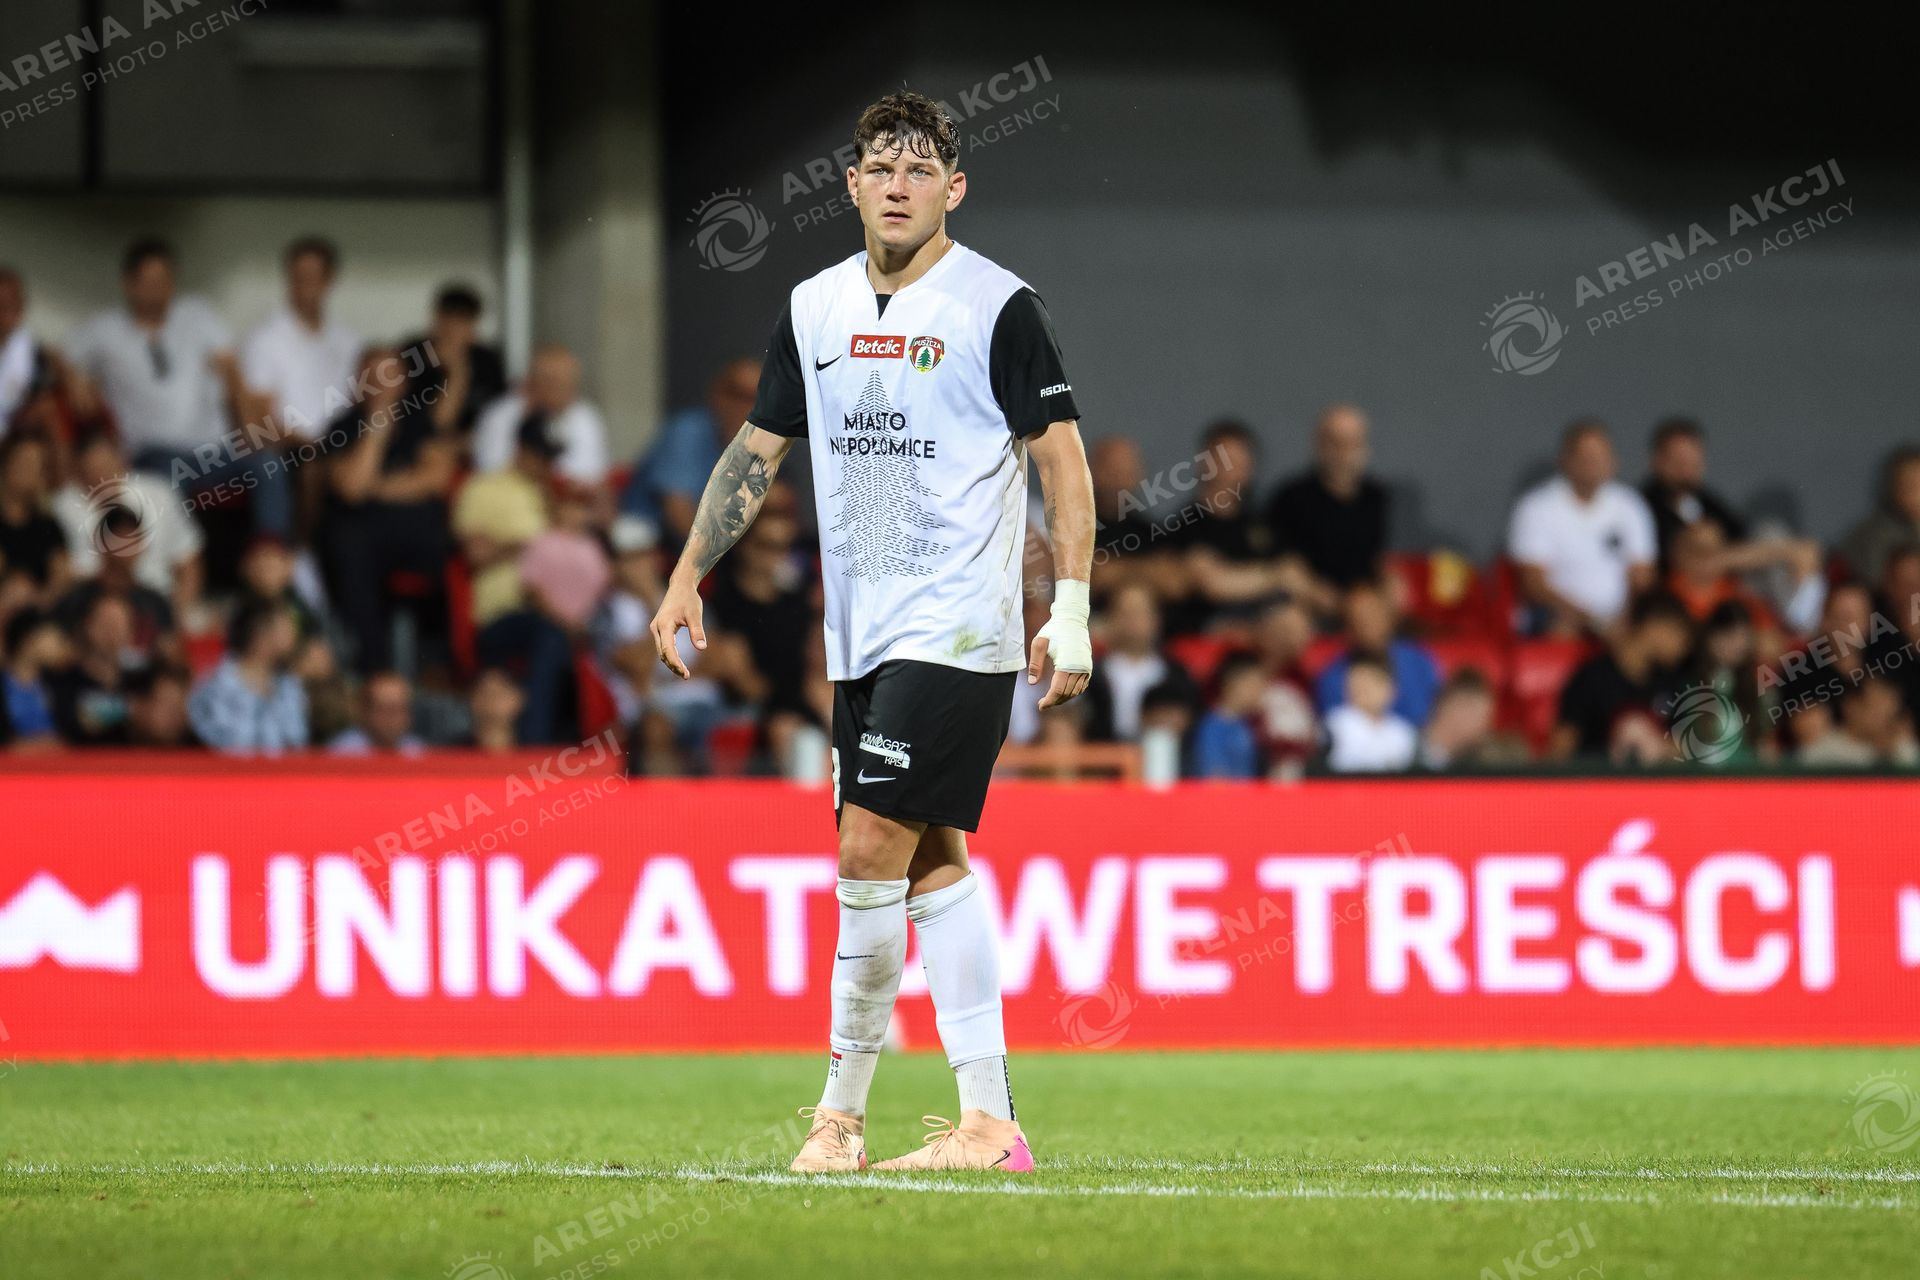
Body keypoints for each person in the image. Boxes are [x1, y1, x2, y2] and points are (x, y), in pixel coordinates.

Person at [648, 92, 1092, 1174]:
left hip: (959, 627)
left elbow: (1063, 461)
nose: (898, 185)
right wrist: (687, 574)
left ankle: (838, 1119)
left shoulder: (997, 305)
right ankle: (988, 1125)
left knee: (864, 850)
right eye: (880, 168)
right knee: (932, 861)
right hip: (862, 635)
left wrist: (1071, 608)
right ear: (849, 186)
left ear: (955, 188)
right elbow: (758, 449)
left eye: (919, 168)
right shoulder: (814, 307)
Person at [65, 238, 291, 538]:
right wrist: (73, 377)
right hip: (153, 452)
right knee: (168, 479)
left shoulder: (197, 314)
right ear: (129, 284)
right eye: (149, 282)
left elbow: (231, 369)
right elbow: (59, 356)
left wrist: (250, 424)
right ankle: (181, 559)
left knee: (268, 463)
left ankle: (271, 554)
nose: (158, 290)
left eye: (164, 280)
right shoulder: (104, 329)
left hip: (214, 448)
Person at [319, 347, 461, 672]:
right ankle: (375, 666)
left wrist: (376, 488)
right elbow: (351, 489)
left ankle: (443, 662)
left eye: (389, 375)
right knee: (349, 544)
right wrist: (376, 428)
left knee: (451, 547)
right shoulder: (343, 427)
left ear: (404, 382)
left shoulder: (420, 421)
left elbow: (435, 479)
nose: (382, 384)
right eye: (373, 376)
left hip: (417, 535)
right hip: (361, 540)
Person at [1508, 419, 1658, 635]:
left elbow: (1642, 576)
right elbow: (1534, 584)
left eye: (1600, 456)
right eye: (1585, 457)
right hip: (1557, 614)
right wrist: (1591, 620)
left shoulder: (1630, 505)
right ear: (1565, 460)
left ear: (1613, 461)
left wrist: (1625, 617)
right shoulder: (1536, 507)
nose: (1593, 464)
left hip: (1621, 617)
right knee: (1562, 630)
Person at [51, 428, 204, 614]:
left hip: (159, 601)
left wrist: (178, 614)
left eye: (107, 468)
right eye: (93, 471)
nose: (102, 478)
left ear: (122, 462)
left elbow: (188, 562)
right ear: (79, 473)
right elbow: (62, 573)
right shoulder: (62, 507)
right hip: (94, 606)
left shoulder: (158, 493)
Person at [621, 358, 762, 545]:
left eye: (757, 399)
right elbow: (678, 513)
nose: (747, 407)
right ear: (717, 395)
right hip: (648, 541)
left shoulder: (757, 443)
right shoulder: (688, 432)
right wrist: (728, 556)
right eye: (739, 396)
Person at [241, 237, 362, 447]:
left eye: (312, 277)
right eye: (298, 277)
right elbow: (259, 420)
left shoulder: (349, 342)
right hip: (289, 453)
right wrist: (310, 450)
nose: (304, 286)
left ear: (329, 280)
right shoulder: (264, 339)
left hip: (341, 450)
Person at [1266, 403, 1389, 606]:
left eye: (1352, 443)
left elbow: (1377, 561)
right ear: (1319, 444)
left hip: (1362, 601)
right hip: (1305, 602)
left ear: (1365, 447)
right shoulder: (1291, 497)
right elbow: (1282, 564)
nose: (1343, 453)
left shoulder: (1375, 497)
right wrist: (1314, 591)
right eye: (1335, 442)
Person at [1551, 590, 1695, 759]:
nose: (1685, 646)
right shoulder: (1592, 678)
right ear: (1653, 625)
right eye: (1680, 634)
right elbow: (1562, 747)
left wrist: (1659, 747)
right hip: (1597, 774)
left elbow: (1682, 749)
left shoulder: (1671, 683)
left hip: (1653, 775)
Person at [471, 345, 609, 486]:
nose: (560, 391)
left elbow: (590, 476)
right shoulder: (499, 416)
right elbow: (490, 475)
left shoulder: (587, 418)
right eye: (552, 382)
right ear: (531, 381)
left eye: (566, 383)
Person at [1312, 579, 1442, 728]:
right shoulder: (1332, 679)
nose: (1368, 626)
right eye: (1359, 620)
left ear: (1389, 618)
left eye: (1374, 616)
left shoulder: (1419, 661)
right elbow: (1338, 729)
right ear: (1348, 628)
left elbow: (1438, 713)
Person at [1081, 581, 1198, 743]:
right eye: (1125, 613)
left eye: (1140, 612)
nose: (1133, 621)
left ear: (1156, 619)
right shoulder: (1087, 675)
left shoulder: (1178, 676)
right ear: (1109, 618)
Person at [188, 599, 307, 754]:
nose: (293, 633)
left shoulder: (289, 686)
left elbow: (297, 742)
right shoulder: (214, 686)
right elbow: (220, 745)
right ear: (260, 633)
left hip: (285, 769)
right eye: (285, 626)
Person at [401, 284, 506, 438]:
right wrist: (456, 372)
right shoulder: (413, 357)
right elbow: (439, 423)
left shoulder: (487, 361)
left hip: (474, 442)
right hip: (421, 443)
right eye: (449, 324)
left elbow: (498, 417)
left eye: (462, 323)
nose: (455, 332)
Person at [0, 432, 69, 607]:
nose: (28, 472)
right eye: (24, 463)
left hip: (36, 611)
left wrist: (36, 601)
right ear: (6, 464)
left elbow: (61, 577)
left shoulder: (47, 525)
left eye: (36, 466)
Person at [1323, 654, 1418, 772]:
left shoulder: (1404, 731)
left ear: (1391, 688)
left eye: (1371, 683)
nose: (1363, 690)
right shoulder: (1335, 724)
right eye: (1358, 683)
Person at [1188, 651, 1266, 778]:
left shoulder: (1246, 725)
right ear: (1233, 683)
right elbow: (1213, 775)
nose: (1260, 691)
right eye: (1254, 684)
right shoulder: (1211, 727)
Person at [3, 608, 70, 751]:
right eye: (54, 638)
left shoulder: (58, 684)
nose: (59, 645)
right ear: (29, 640)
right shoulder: (5, 686)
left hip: (55, 762)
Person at [329, 670, 423, 755]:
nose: (393, 718)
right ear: (365, 712)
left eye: (400, 709)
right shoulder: (342, 753)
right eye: (386, 709)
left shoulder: (417, 752)